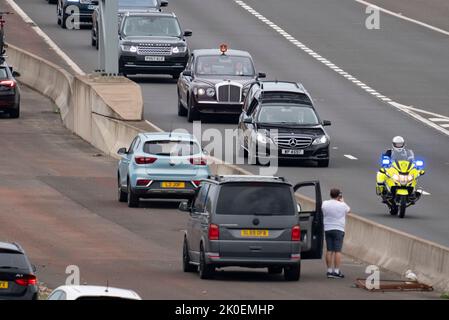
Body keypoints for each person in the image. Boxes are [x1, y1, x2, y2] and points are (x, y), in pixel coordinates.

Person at [322, 188, 350, 279]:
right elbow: (349, 210)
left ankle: (329, 271)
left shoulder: (325, 203)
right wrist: (342, 201)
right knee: (337, 251)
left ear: (330, 194)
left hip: (328, 228)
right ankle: (337, 271)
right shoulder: (342, 205)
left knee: (329, 250)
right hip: (338, 229)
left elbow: (322, 209)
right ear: (339, 195)